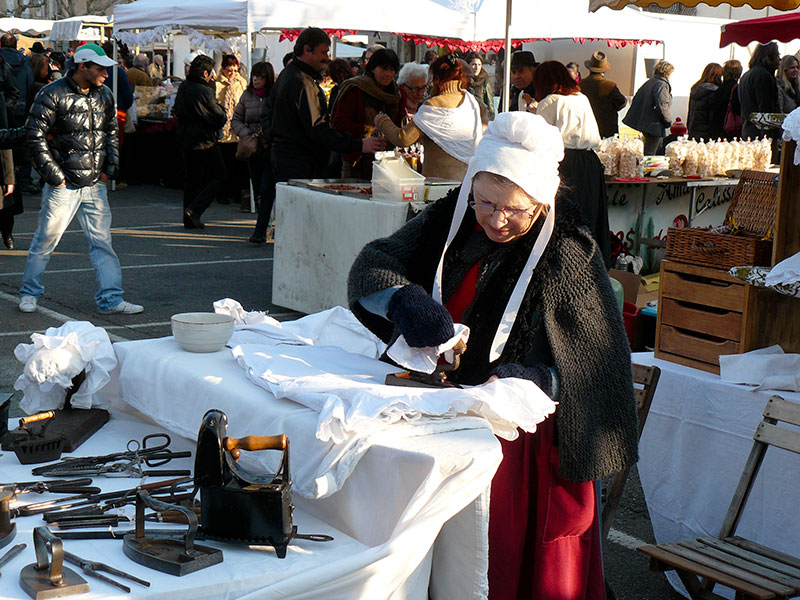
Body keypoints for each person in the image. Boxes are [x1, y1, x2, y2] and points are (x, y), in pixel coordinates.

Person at [348, 111, 638, 600]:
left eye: (514, 210)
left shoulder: (567, 252)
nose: (496, 220)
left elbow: (599, 367)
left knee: (497, 565)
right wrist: (402, 300)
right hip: (443, 418)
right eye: (485, 202)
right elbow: (373, 263)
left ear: (541, 203)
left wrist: (538, 378)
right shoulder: (452, 217)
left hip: (523, 447)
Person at [20, 43, 143, 315]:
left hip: (93, 183)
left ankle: (111, 299)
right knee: (46, 240)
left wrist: (108, 168)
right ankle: (30, 292)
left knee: (102, 243)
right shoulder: (52, 93)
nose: (106, 74)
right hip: (65, 184)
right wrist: (56, 176)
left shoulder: (104, 94)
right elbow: (34, 136)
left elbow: (110, 131)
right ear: (82, 66)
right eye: (100, 69)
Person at [267, 27, 385, 183]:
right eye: (323, 52)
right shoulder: (301, 82)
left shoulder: (290, 75)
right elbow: (318, 130)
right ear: (307, 50)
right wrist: (359, 144)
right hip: (299, 163)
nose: (327, 58)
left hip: (289, 159)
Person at [533, 60, 610, 268]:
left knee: (565, 219)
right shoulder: (581, 98)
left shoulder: (549, 102)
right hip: (589, 162)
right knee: (589, 216)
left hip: (564, 162)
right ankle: (591, 264)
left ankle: (567, 264)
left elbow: (538, 139)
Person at [375, 53, 483, 181]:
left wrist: (382, 120)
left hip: (438, 184)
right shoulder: (474, 103)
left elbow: (403, 138)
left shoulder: (434, 104)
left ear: (437, 79)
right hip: (467, 182)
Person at [173, 54, 228, 229]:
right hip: (204, 140)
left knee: (192, 178)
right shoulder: (204, 91)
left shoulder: (184, 86)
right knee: (220, 176)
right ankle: (194, 210)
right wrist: (220, 109)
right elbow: (218, 117)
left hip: (186, 138)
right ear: (205, 73)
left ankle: (188, 216)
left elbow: (178, 110)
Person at [331, 48, 404, 179]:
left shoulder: (395, 94)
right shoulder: (356, 89)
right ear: (372, 68)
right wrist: (368, 131)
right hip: (356, 160)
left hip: (388, 163)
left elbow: (399, 123)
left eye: (392, 70)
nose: (388, 74)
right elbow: (339, 124)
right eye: (383, 68)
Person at [232, 61, 274, 216]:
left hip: (270, 145)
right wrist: (246, 134)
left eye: (260, 76)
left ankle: (267, 221)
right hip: (252, 147)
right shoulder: (247, 95)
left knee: (267, 185)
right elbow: (236, 119)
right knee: (257, 185)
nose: (256, 79)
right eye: (254, 76)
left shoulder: (274, 95)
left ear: (267, 78)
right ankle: (262, 220)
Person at [216, 54, 249, 205]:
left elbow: (244, 101)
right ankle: (223, 193)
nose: (233, 70)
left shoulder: (241, 82)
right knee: (223, 164)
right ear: (223, 68)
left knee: (237, 163)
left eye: (235, 67)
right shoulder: (216, 83)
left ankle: (237, 193)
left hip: (237, 128)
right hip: (222, 128)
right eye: (230, 67)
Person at [623, 60, 674, 155]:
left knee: (653, 150)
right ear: (668, 73)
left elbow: (637, 99)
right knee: (650, 154)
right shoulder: (662, 85)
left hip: (645, 123)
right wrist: (668, 121)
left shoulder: (649, 82)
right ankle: (647, 169)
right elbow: (662, 105)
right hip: (654, 124)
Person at [580, 51, 626, 139]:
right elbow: (622, 103)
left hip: (586, 128)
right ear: (604, 70)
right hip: (607, 129)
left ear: (589, 68)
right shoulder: (610, 85)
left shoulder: (581, 85)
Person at [739, 42, 780, 140]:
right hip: (761, 134)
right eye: (778, 55)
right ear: (770, 57)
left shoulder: (747, 75)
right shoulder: (763, 76)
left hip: (748, 130)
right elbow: (766, 109)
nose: (779, 59)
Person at [687, 63, 723, 141]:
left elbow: (690, 113)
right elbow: (712, 115)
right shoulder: (714, 92)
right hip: (706, 134)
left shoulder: (695, 89)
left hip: (693, 131)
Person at [709, 59, 742, 140]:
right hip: (730, 130)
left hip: (716, 129)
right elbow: (737, 109)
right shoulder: (736, 88)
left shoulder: (718, 89)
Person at [466, 51, 495, 120]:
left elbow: (490, 106)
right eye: (474, 64)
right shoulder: (463, 81)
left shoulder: (485, 81)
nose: (477, 67)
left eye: (479, 65)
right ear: (468, 65)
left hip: (480, 119)